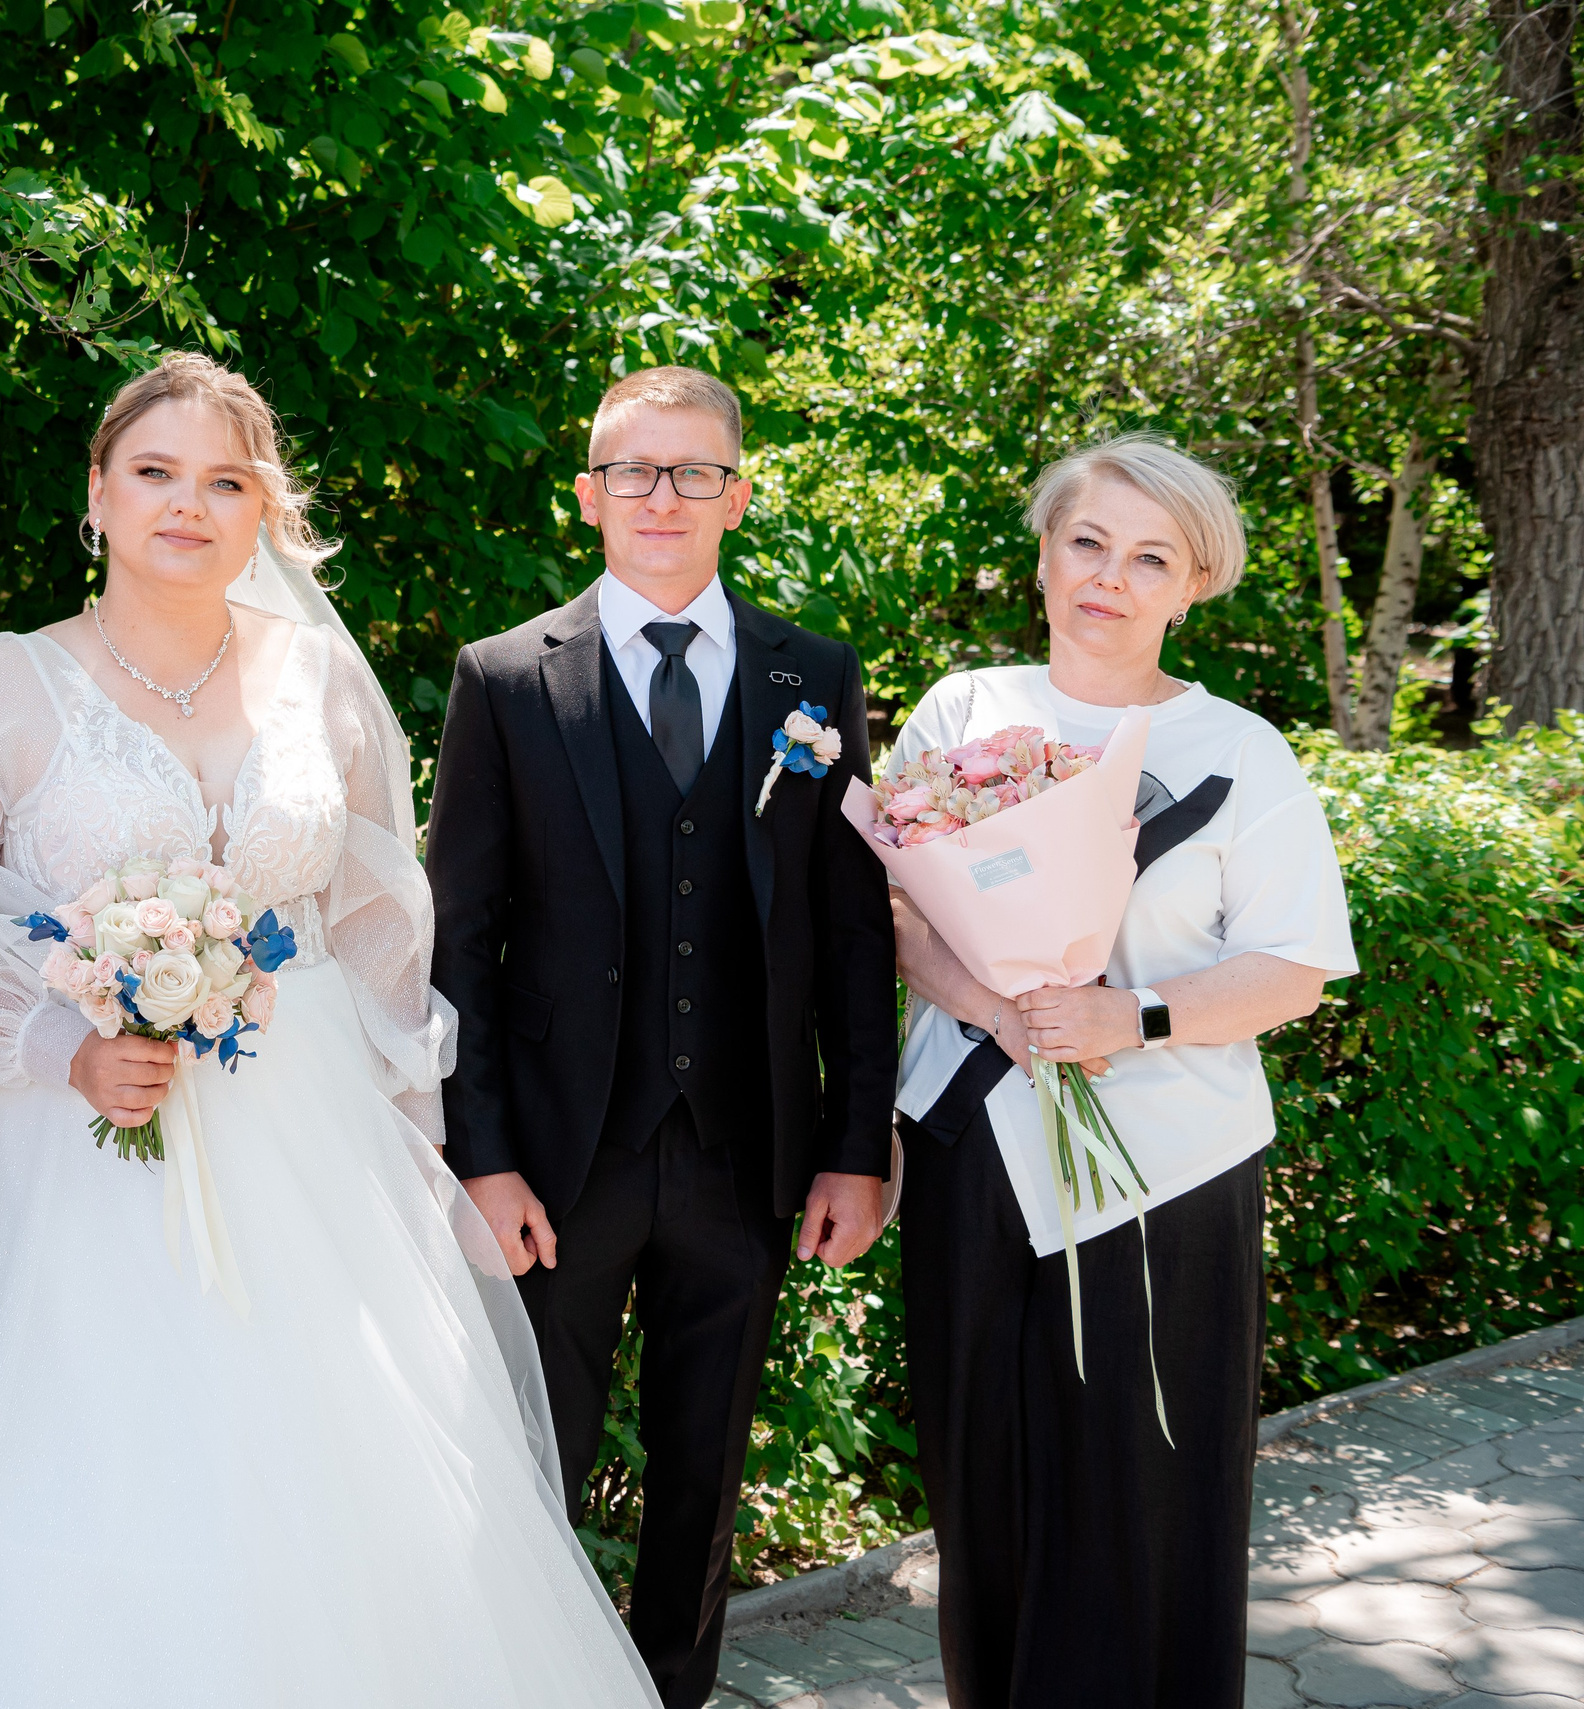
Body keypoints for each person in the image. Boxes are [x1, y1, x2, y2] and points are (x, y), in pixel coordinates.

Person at [0, 353, 659, 1707]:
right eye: (153, 473)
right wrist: (60, 1046)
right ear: (96, 493)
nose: (186, 506)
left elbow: (383, 926)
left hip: (310, 1151)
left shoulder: (319, 678)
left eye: (223, 481)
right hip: (70, 1155)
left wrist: (430, 1152)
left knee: (345, 1490)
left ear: (264, 512)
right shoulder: (6, 688)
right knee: (88, 1477)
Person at [424, 366, 898, 1708]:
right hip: (562, 1162)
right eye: (633, 470)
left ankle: (671, 1694)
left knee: (704, 1482)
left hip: (745, 1159)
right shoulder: (508, 678)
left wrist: (856, 1146)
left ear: (739, 495)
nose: (662, 495)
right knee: (531, 1470)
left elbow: (854, 934)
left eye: (695, 470)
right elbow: (459, 940)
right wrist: (484, 1157)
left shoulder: (817, 675)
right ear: (588, 497)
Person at [887, 432, 1357, 1709]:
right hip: (972, 1148)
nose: (1110, 576)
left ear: (1191, 584)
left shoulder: (1242, 751)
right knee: (982, 1486)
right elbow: (892, 910)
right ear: (1043, 552)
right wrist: (998, 1006)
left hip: (1168, 1175)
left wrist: (1126, 1017)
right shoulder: (962, 709)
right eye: (1087, 541)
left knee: (1143, 1495)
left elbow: (1293, 968)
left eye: (1150, 557)